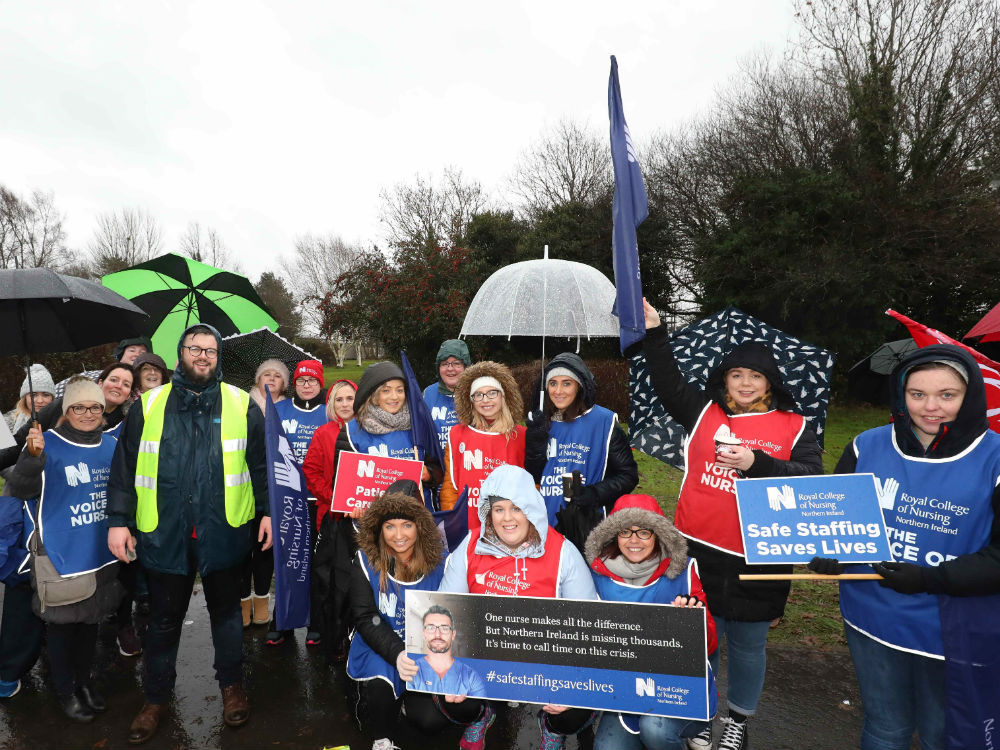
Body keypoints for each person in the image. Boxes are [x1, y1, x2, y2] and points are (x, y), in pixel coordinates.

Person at [640, 299, 823, 750]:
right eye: (736, 375)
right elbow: (666, 379)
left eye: (754, 376)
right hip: (696, 548)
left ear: (769, 383)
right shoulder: (704, 412)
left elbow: (811, 479)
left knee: (747, 644)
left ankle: (738, 720)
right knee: (703, 637)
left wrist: (757, 462)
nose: (744, 383)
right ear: (725, 379)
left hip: (759, 552)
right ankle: (700, 713)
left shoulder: (794, 425)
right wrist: (655, 332)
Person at [808, 344, 1000, 750]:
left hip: (951, 626)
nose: (931, 407)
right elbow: (835, 518)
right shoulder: (866, 446)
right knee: (884, 727)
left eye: (947, 395)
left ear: (970, 397)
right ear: (901, 395)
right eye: (917, 394)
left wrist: (932, 577)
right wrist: (828, 549)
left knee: (941, 734)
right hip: (871, 616)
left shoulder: (995, 459)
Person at [107, 323, 271, 745]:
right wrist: (118, 521)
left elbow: (259, 466)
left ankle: (231, 688)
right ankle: (156, 699)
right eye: (194, 349)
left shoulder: (240, 403)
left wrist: (268, 513)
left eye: (210, 351)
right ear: (179, 353)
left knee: (227, 617)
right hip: (164, 532)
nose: (202, 356)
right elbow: (124, 468)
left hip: (224, 532)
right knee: (163, 622)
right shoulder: (149, 404)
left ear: (219, 357)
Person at [440, 464, 598, 749]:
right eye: (498, 509)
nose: (507, 518)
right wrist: (449, 669)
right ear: (488, 513)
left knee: (577, 703)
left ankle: (551, 726)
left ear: (532, 508)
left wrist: (573, 682)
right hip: (483, 659)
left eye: (517, 508)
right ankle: (480, 716)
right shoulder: (470, 546)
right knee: (447, 690)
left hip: (545, 661)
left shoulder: (563, 551)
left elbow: (588, 626)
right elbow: (444, 613)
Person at [5, 378, 123, 722]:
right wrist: (32, 456)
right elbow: (20, 489)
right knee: (62, 627)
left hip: (99, 552)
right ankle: (65, 690)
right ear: (67, 410)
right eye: (79, 407)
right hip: (60, 553)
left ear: (103, 411)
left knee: (90, 624)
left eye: (95, 407)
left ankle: (83, 683)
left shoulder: (111, 444)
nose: (87, 414)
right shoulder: (46, 444)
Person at [347, 490, 493, 750]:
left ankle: (413, 705)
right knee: (380, 684)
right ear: (379, 529)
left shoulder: (442, 564)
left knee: (429, 721)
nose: (399, 535)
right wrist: (396, 653)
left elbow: (457, 616)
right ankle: (382, 738)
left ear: (420, 526)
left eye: (407, 525)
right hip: (382, 645)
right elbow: (365, 616)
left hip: (427, 649)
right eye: (390, 526)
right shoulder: (365, 561)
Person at [584, 494, 718, 750]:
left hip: (675, 686)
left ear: (658, 534)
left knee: (655, 728)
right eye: (625, 531)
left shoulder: (682, 573)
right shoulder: (596, 575)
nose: (634, 540)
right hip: (625, 690)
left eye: (644, 532)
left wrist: (692, 622)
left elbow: (710, 646)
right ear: (614, 535)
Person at [524, 352, 638, 550]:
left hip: (588, 525)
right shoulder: (542, 421)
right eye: (553, 383)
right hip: (545, 523)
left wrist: (594, 494)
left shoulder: (604, 421)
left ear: (579, 386)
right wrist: (535, 441)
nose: (558, 391)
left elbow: (628, 476)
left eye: (567, 383)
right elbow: (534, 476)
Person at [303, 379, 357, 653]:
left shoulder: (365, 432)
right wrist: (334, 498)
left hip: (360, 521)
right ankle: (331, 635)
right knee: (330, 579)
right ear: (331, 404)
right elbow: (311, 471)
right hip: (332, 518)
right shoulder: (323, 433)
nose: (345, 404)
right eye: (339, 399)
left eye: (349, 399)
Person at [336, 361, 443, 499]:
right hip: (374, 516)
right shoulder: (352, 432)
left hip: (417, 515)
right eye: (386, 390)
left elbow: (437, 470)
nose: (394, 396)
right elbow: (342, 484)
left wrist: (429, 475)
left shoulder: (418, 426)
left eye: (399, 390)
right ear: (374, 395)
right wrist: (352, 506)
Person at [440, 361, 526, 532]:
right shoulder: (458, 434)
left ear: (503, 396)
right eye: (478, 395)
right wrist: (452, 524)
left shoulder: (521, 435)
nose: (485, 400)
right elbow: (450, 488)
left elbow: (531, 488)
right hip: (469, 524)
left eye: (492, 393)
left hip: (510, 526)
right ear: (471, 401)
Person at [1, 363, 135, 470]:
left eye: (126, 384)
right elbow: (18, 444)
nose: (118, 386)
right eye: (113, 379)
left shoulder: (125, 425)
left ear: (129, 394)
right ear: (100, 383)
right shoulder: (60, 406)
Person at [241, 359, 290, 632]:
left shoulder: (286, 410)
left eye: (278, 376)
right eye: (266, 374)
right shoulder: (241, 405)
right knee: (241, 548)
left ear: (284, 384)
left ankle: (261, 598)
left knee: (265, 546)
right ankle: (242, 600)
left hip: (273, 487)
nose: (271, 379)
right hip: (242, 486)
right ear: (257, 379)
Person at [408, 605, 486, 698]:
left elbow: (481, 708)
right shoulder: (411, 672)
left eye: (444, 628)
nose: (437, 634)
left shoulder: (470, 677)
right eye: (431, 628)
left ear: (453, 634)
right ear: (424, 633)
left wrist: (466, 706)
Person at [51, 336, 151, 398]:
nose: (137, 355)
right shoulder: (94, 376)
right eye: (132, 350)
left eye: (142, 353)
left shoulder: (149, 389)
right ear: (121, 355)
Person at [423, 340, 471, 454]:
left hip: (468, 463)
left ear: (466, 366)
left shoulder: (477, 393)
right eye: (444, 364)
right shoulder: (428, 393)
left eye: (456, 363)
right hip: (436, 465)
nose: (450, 369)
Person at [4, 364, 56, 435]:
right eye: (33, 395)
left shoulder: (63, 423)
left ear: (52, 398)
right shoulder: (5, 425)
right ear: (25, 398)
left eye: (46, 395)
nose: (39, 400)